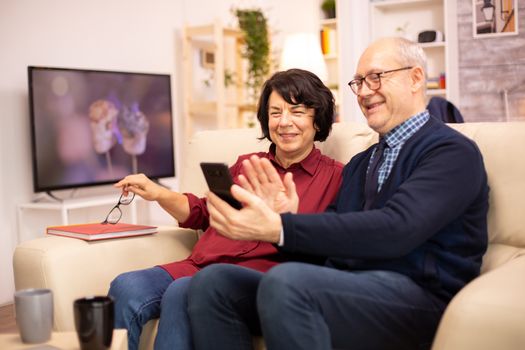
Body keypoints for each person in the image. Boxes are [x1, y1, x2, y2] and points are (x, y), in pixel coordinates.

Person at [187, 37, 489, 350]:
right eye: (358, 82)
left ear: (414, 78)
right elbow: (331, 245)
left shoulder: (451, 152)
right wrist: (285, 218)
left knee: (287, 283)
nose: (363, 91)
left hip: (420, 298)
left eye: (375, 77)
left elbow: (397, 228)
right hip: (351, 286)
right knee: (214, 283)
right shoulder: (361, 163)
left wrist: (281, 227)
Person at [107, 68, 344, 350]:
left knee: (183, 291)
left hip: (259, 277)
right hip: (198, 265)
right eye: (275, 112)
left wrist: (282, 220)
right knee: (125, 285)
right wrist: (158, 193)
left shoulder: (337, 177)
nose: (284, 122)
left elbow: (330, 246)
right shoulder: (247, 164)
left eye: (297, 111)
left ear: (317, 119)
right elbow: (203, 213)